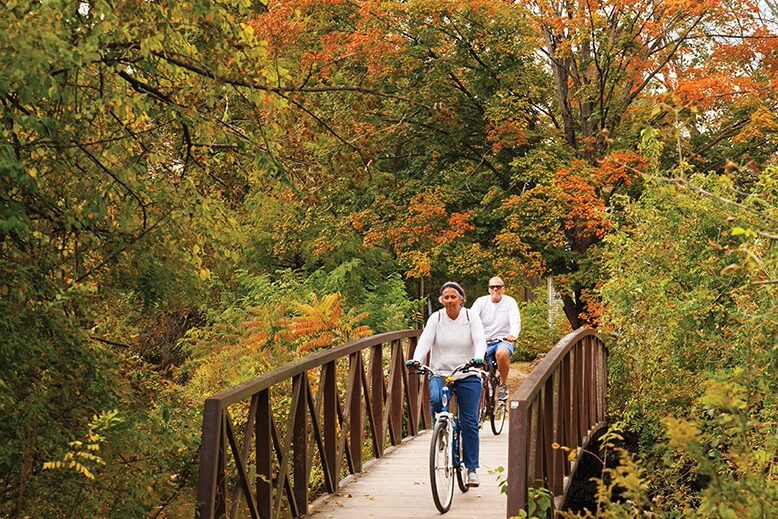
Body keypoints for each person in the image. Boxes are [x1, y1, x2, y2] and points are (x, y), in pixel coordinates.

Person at [406, 281, 486, 487]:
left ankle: (471, 470)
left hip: (467, 373)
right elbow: (425, 341)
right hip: (440, 372)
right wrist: (417, 359)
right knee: (434, 401)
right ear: (442, 300)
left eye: (453, 297)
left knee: (468, 422)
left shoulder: (470, 316)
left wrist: (478, 357)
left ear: (461, 299)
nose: (449, 301)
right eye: (446, 297)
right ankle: (441, 430)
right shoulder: (437, 318)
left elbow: (480, 340)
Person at [470, 276, 521, 401]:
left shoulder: (510, 302)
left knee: (502, 354)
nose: (495, 289)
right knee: (474, 361)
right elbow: (471, 319)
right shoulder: (481, 302)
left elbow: (515, 321)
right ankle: (476, 393)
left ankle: (503, 385)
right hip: (484, 340)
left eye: (499, 287)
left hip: (503, 340)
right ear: (489, 289)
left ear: (503, 289)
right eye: (493, 287)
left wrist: (513, 335)